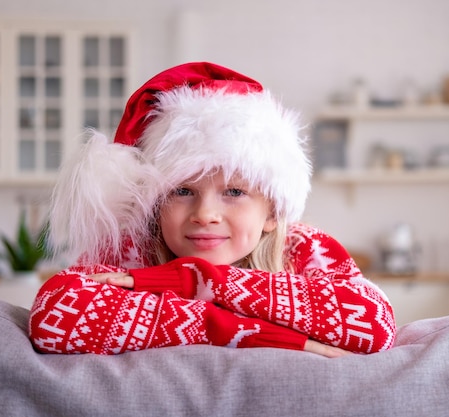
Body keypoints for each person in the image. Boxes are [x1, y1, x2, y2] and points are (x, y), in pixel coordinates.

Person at [28, 62, 395, 358]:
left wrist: (195, 282)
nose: (205, 214)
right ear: (155, 204)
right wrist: (233, 329)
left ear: (272, 213)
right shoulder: (131, 249)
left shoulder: (303, 248)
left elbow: (375, 322)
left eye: (234, 191)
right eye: (183, 191)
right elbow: (54, 314)